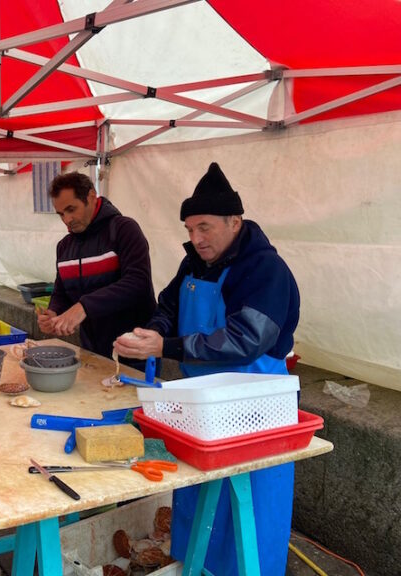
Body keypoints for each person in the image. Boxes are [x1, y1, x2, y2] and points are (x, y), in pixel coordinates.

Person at [113, 162, 300, 576]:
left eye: (204, 228)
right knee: (198, 496)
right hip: (201, 408)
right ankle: (196, 566)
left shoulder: (264, 269)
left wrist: (170, 345)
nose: (195, 239)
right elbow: (169, 307)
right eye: (189, 229)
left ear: (235, 221)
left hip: (256, 411)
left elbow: (246, 339)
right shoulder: (194, 264)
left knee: (248, 507)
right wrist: (151, 332)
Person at [37, 171, 156, 359]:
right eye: (61, 214)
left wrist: (84, 306)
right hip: (91, 348)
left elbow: (137, 282)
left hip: (133, 348)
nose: (67, 220)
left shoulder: (124, 229)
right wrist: (54, 312)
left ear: (91, 197)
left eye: (71, 209)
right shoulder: (65, 246)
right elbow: (62, 291)